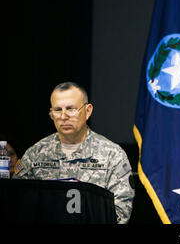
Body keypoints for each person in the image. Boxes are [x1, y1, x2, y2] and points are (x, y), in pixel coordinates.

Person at [13, 82, 135, 224]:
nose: (63, 116)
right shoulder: (35, 154)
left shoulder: (112, 155)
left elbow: (120, 214)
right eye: (58, 110)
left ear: (88, 111)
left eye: (71, 109)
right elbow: (17, 205)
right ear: (51, 114)